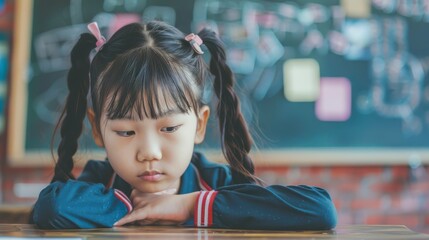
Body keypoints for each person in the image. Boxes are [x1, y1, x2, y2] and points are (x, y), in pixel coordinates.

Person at [31, 21, 337, 230]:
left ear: (200, 124)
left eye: (169, 128)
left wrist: (188, 205)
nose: (149, 153)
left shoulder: (216, 180)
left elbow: (319, 209)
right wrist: (138, 205)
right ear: (97, 129)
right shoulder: (100, 181)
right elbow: (52, 208)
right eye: (126, 132)